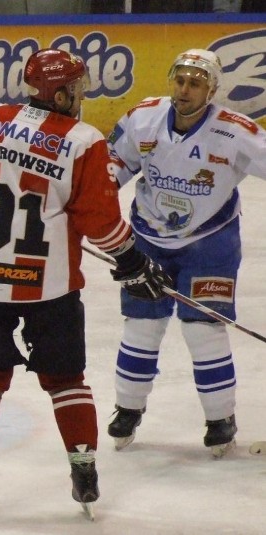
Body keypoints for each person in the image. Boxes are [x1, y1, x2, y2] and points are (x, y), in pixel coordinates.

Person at [0, 48, 171, 522]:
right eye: (76, 89)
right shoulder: (82, 141)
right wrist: (132, 259)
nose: (80, 97)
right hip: (49, 287)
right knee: (64, 380)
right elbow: (100, 222)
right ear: (59, 92)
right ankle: (83, 466)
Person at [105, 49, 266, 458]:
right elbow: (112, 168)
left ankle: (220, 418)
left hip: (210, 243)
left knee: (203, 329)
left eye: (195, 83)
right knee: (142, 325)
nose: (184, 90)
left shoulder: (235, 131)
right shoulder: (143, 118)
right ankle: (127, 408)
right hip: (148, 237)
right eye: (180, 80)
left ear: (211, 89)